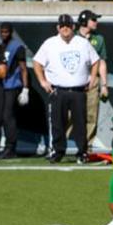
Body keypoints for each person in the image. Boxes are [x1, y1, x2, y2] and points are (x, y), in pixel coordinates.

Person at [33, 14, 99, 164]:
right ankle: (58, 151)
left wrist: (92, 78)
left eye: (68, 26)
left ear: (73, 27)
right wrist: (43, 81)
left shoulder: (82, 43)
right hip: (58, 90)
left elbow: (96, 61)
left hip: (78, 90)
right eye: (62, 26)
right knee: (58, 123)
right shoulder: (50, 43)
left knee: (80, 124)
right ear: (58, 27)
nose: (65, 29)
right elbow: (37, 63)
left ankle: (82, 152)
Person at [77, 10, 108, 149]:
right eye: (93, 20)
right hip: (74, 80)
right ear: (84, 22)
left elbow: (101, 62)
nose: (96, 22)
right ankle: (62, 144)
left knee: (91, 115)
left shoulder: (99, 39)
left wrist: (104, 84)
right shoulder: (73, 37)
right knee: (70, 116)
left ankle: (86, 146)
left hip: (92, 80)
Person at [0, 22, 29, 159]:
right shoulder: (1, 45)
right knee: (4, 117)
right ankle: (6, 146)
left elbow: (23, 68)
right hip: (2, 85)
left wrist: (25, 88)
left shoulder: (17, 47)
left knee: (8, 116)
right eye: (2, 32)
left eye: (6, 32)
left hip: (13, 85)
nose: (4, 34)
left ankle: (11, 147)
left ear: (11, 32)